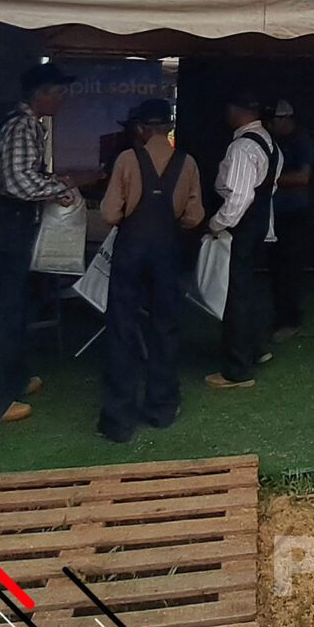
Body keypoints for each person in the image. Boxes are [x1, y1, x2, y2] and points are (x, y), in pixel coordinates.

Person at [0, 63, 76, 424]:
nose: (63, 101)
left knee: (14, 306)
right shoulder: (21, 127)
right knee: (1, 311)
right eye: (59, 93)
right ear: (40, 95)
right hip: (4, 229)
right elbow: (16, 182)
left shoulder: (28, 125)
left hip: (9, 227)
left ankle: (13, 379)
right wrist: (59, 187)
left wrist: (51, 182)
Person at [98, 99, 204, 443]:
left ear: (141, 129)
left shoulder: (127, 159)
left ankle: (119, 417)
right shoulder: (187, 162)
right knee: (165, 327)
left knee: (122, 328)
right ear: (168, 128)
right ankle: (161, 407)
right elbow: (194, 216)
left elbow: (110, 213)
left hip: (131, 250)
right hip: (167, 251)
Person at [205, 90, 283, 390]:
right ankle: (258, 347)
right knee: (249, 289)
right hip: (259, 224)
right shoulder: (270, 143)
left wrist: (216, 223)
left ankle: (237, 370)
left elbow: (239, 197)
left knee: (236, 295)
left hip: (242, 226)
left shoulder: (242, 147)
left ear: (237, 110)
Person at [267, 99, 314, 342]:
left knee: (291, 269)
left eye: (275, 120)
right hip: (275, 214)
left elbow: (303, 177)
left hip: (294, 214)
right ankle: (280, 318)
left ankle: (291, 320)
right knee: (277, 268)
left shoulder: (301, 140)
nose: (271, 124)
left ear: (286, 118)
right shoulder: (270, 140)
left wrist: (267, 179)